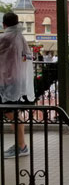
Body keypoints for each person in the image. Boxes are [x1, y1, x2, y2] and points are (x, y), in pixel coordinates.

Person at [0, 13, 35, 158]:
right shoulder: (19, 37)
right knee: (14, 112)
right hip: (17, 79)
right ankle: (21, 144)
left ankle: (21, 146)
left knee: (11, 112)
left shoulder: (6, 38)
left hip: (7, 80)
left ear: (4, 24)